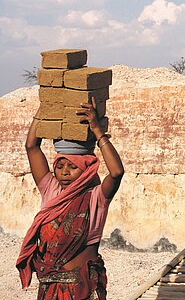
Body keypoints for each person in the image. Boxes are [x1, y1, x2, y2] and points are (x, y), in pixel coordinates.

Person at [17, 97, 124, 299]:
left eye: (72, 167)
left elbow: (117, 172)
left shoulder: (96, 198)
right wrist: (47, 105)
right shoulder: (51, 190)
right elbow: (32, 147)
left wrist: (97, 129)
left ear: (85, 169)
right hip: (50, 286)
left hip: (81, 288)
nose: (64, 172)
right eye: (59, 166)